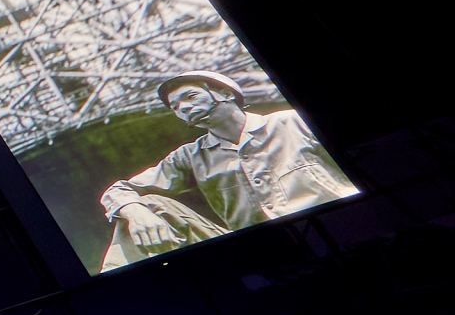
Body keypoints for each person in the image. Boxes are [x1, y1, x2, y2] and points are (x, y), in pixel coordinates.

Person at [96, 71, 359, 267]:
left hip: (343, 224)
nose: (183, 108)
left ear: (226, 94)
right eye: (175, 107)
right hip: (260, 251)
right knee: (144, 205)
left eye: (190, 96)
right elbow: (119, 190)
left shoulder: (292, 122)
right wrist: (136, 211)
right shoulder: (189, 156)